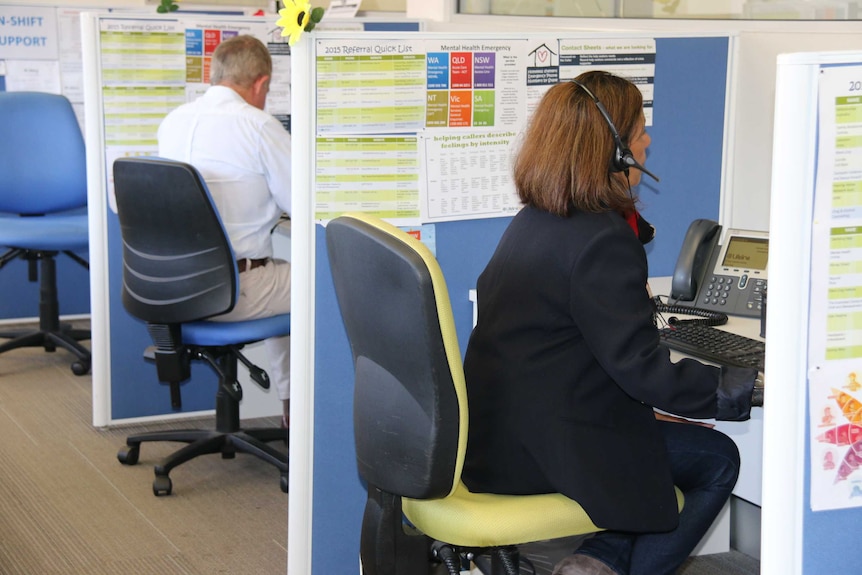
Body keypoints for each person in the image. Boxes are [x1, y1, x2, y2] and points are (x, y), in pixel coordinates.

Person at [461, 71, 762, 575]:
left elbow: (589, 353)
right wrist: (745, 385)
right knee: (716, 458)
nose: (648, 141)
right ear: (616, 148)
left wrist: (654, 406)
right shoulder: (600, 240)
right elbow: (644, 371)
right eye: (640, 130)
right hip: (546, 450)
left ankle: (597, 561)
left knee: (654, 436)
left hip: (499, 435)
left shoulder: (538, 219)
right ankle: (612, 565)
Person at [157, 35, 293, 428]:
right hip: (232, 291)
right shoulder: (259, 126)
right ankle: (297, 411)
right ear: (261, 84)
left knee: (282, 275)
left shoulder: (173, 121)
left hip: (173, 287)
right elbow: (306, 202)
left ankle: (289, 403)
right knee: (317, 285)